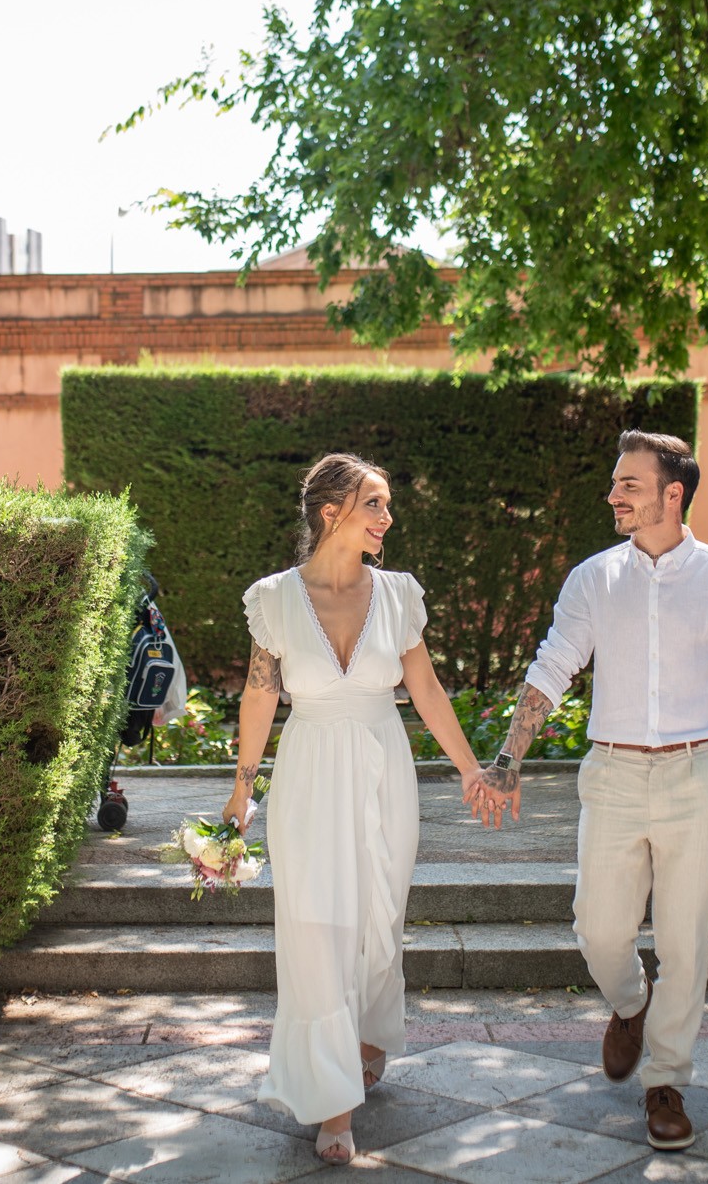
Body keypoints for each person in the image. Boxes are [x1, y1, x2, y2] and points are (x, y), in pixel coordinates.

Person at [468, 430, 708, 1152]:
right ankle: (632, 1003)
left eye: (628, 484)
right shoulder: (592, 579)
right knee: (598, 928)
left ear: (673, 494)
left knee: (685, 939)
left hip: (700, 774)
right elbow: (552, 668)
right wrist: (507, 759)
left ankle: (665, 1082)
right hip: (612, 773)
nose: (613, 495)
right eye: (615, 484)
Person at [222, 453, 497, 1167]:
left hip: (384, 772)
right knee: (317, 929)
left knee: (379, 915)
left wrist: (471, 769)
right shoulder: (275, 599)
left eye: (386, 504)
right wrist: (243, 788)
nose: (387, 517)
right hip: (309, 775)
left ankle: (370, 1035)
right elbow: (259, 695)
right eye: (375, 503)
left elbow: (426, 690)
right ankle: (332, 1100)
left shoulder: (399, 594)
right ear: (331, 512)